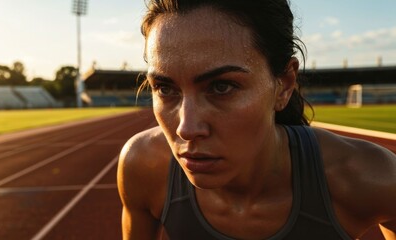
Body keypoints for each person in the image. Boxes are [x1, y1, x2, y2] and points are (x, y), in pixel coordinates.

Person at [117, 0, 396, 239]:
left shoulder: (369, 177)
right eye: (165, 89)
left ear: (285, 84)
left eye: (221, 87)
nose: (187, 129)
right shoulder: (143, 166)